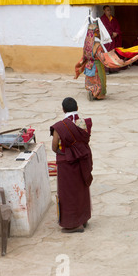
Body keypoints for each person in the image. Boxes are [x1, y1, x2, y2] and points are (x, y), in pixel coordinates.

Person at [74, 16, 138, 100]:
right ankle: (97, 94)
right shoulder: (97, 45)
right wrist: (112, 59)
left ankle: (90, 91)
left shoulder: (87, 44)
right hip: (97, 66)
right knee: (99, 81)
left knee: (90, 80)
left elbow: (84, 56)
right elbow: (102, 57)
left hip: (89, 65)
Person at [50, 97, 93, 233]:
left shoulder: (60, 126)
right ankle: (83, 218)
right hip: (82, 161)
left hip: (67, 163)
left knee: (68, 193)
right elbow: (84, 142)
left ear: (63, 109)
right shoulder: (84, 123)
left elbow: (54, 147)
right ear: (77, 108)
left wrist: (64, 153)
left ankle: (73, 224)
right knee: (81, 190)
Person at [100, 5, 122, 74]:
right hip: (106, 40)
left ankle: (113, 69)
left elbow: (118, 27)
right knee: (106, 54)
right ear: (104, 11)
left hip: (113, 40)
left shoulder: (114, 19)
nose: (109, 11)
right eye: (107, 10)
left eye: (110, 10)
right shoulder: (102, 19)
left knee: (113, 54)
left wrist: (116, 33)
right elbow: (103, 29)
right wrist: (111, 33)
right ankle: (107, 70)